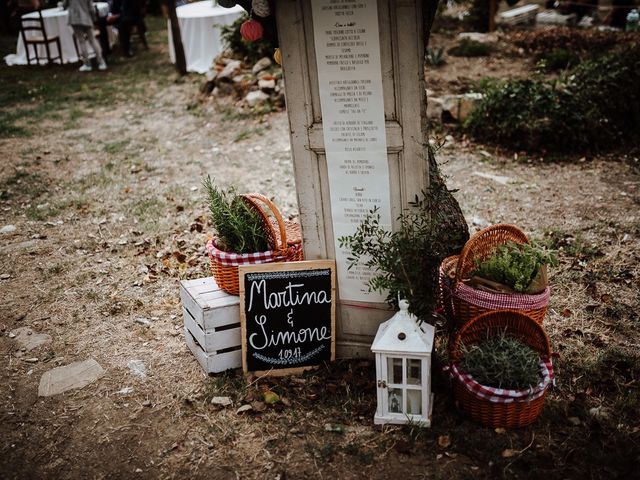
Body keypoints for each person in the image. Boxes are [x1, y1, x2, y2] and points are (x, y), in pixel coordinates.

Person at [64, 0, 107, 71]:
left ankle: (87, 63)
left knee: (82, 41)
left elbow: (65, 5)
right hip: (86, 18)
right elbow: (91, 8)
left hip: (75, 18)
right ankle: (101, 62)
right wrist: (93, 18)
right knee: (92, 40)